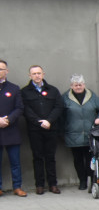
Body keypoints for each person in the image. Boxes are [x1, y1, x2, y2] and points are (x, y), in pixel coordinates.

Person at [21, 65, 63, 194]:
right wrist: (38, 122)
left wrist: (49, 121)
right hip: (35, 130)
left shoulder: (53, 90)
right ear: (30, 76)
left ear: (43, 74)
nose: (37, 76)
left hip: (51, 128)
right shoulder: (25, 92)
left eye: (39, 73)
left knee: (50, 157)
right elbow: (26, 109)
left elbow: (59, 107)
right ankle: (39, 185)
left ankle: (53, 184)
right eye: (34, 73)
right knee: (37, 157)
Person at [62, 74, 99, 190]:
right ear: (71, 86)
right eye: (75, 85)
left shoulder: (91, 96)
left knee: (90, 159)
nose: (78, 87)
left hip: (90, 133)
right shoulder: (65, 98)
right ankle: (82, 181)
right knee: (77, 160)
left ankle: (92, 181)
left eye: (80, 85)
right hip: (73, 134)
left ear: (84, 85)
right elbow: (60, 115)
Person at [0, 60, 26, 197]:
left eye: (1, 69)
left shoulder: (14, 88)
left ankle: (17, 187)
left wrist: (8, 120)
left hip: (11, 130)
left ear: (6, 71)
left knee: (15, 162)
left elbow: (19, 108)